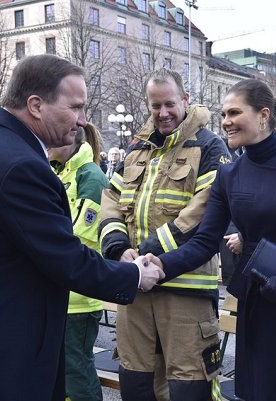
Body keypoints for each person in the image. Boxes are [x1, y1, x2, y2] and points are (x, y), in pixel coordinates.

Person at [0, 54, 165, 401]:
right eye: (76, 107)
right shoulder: (19, 165)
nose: (83, 120)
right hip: (1, 361)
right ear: (36, 105)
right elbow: (65, 258)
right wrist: (134, 275)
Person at [151, 79, 276, 401]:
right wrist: (158, 266)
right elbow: (205, 241)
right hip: (260, 302)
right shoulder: (229, 174)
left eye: (234, 112)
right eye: (223, 114)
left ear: (263, 115)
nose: (226, 121)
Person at [99, 68, 231, 401]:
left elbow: (203, 213)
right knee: (136, 380)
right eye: (155, 106)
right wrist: (117, 248)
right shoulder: (137, 148)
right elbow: (111, 198)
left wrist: (149, 253)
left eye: (170, 104)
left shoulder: (209, 146)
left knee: (189, 384)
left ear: (185, 99)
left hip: (185, 290)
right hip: (136, 287)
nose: (163, 113)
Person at [48, 122, 108, 401]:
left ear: (69, 138)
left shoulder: (90, 176)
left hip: (79, 298)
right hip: (59, 292)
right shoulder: (57, 171)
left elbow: (79, 237)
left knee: (77, 374)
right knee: (61, 372)